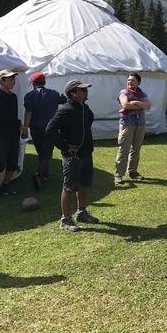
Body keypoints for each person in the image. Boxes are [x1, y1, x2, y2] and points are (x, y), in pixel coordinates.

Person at [46, 79, 99, 232]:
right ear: (73, 93)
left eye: (85, 89)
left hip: (86, 153)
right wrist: (65, 146)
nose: (86, 91)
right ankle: (65, 219)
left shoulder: (84, 107)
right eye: (82, 90)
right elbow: (50, 130)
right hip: (72, 157)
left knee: (83, 184)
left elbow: (89, 119)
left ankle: (81, 212)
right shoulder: (65, 110)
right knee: (69, 187)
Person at [0, 70, 28, 200]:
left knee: (12, 162)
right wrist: (20, 125)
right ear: (1, 81)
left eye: (13, 79)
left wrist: (19, 128)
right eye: (9, 79)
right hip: (0, 135)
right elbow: (2, 117)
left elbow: (12, 116)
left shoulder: (13, 97)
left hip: (13, 134)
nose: (12, 82)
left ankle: (5, 186)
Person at [23, 72, 67, 190]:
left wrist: (25, 127)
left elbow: (28, 112)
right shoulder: (54, 94)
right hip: (50, 127)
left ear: (33, 83)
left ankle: (44, 175)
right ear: (45, 82)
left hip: (35, 128)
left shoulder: (29, 96)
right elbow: (66, 100)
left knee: (41, 152)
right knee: (47, 154)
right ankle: (38, 173)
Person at [114, 72, 151, 185]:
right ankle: (119, 174)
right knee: (124, 149)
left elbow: (148, 105)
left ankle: (133, 171)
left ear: (138, 82)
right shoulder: (123, 92)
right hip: (127, 124)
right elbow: (125, 105)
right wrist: (141, 105)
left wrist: (135, 102)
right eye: (129, 80)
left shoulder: (142, 93)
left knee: (136, 149)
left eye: (132, 80)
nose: (130, 82)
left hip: (140, 124)